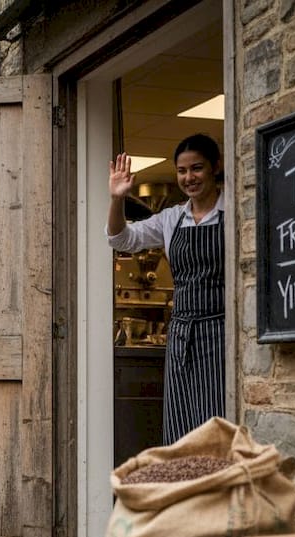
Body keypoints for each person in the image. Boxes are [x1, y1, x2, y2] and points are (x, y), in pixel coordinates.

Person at [106, 133, 225, 444]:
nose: (189, 178)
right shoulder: (172, 219)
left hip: (221, 335)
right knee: (181, 427)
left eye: (196, 168)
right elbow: (120, 239)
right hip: (181, 335)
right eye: (182, 171)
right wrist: (117, 199)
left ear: (215, 167)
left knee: (217, 423)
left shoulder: (233, 213)